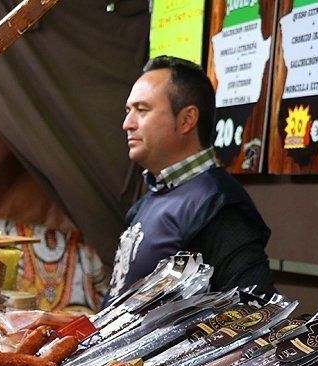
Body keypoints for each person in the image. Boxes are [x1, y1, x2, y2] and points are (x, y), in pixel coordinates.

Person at [106, 56, 275, 301]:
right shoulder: (152, 198)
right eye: (128, 111)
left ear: (186, 120)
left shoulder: (218, 204)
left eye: (142, 110)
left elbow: (255, 309)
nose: (127, 124)